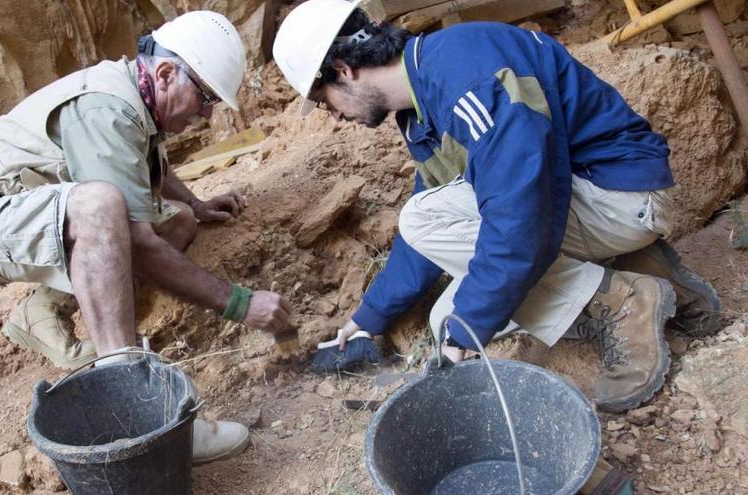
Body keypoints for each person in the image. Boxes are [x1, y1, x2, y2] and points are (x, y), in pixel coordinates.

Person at [273, 0, 720, 412]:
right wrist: (369, 317)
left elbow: (520, 211)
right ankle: (639, 267)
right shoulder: (422, 102)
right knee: (443, 317)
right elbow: (437, 222)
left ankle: (624, 298)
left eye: (321, 101)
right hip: (579, 196)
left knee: (461, 304)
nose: (331, 116)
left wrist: (472, 326)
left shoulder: (467, 75)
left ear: (342, 70)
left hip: (621, 195)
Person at [0, 11, 292, 463]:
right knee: (99, 208)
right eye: (204, 98)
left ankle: (42, 309)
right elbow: (135, 240)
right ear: (164, 73)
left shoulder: (135, 95)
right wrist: (239, 302)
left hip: (22, 216)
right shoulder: (107, 106)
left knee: (176, 222)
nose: (205, 113)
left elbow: (139, 160)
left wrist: (194, 206)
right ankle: (133, 403)